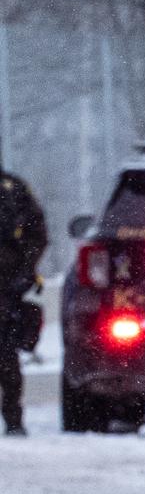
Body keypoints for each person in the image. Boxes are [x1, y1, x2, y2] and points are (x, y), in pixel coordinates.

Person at [0, 156, 46, 437]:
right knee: (6, 356)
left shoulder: (13, 189)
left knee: (5, 355)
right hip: (8, 284)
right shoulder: (14, 187)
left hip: (6, 286)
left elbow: (36, 234)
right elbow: (37, 235)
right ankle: (14, 419)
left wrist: (22, 272)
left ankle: (14, 418)